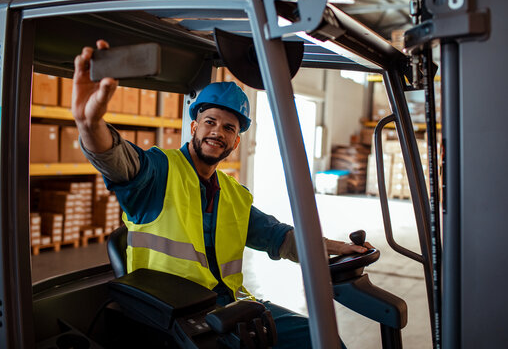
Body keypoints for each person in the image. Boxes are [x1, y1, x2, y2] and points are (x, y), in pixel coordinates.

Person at [73, 40, 373, 348]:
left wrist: (332, 249)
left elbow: (278, 237)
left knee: (322, 340)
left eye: (229, 128)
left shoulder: (234, 194)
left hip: (231, 308)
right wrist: (89, 124)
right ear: (194, 126)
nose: (218, 131)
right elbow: (118, 160)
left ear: (236, 142)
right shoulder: (158, 172)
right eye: (210, 122)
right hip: (177, 316)